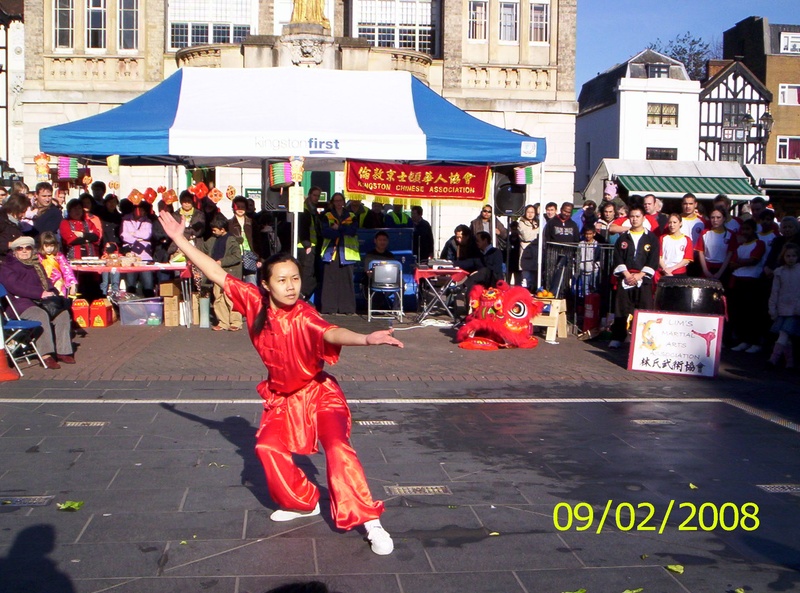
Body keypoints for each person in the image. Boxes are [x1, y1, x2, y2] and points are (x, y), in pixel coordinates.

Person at [158, 208, 402, 555]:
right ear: (266, 284)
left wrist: (366, 338)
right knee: (267, 448)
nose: (291, 287)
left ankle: (369, 520)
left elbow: (331, 332)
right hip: (283, 398)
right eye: (283, 280)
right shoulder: (253, 302)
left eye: (295, 279)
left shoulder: (305, 315)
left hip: (320, 395)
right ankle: (303, 501)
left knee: (337, 448)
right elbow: (214, 271)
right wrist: (180, 240)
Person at [0, 236, 75, 369]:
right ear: (14, 251)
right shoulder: (7, 267)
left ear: (32, 250)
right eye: (20, 248)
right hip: (19, 304)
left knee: (62, 313)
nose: (24, 251)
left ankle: (63, 351)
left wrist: (52, 292)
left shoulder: (36, 264)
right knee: (40, 315)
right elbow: (15, 286)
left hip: (40, 301)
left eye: (28, 248)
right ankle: (46, 355)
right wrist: (40, 293)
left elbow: (47, 281)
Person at [609, 204, 659, 349]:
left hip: (643, 278)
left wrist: (640, 275)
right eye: (632, 216)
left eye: (637, 216)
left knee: (645, 308)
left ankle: (645, 338)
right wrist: (626, 274)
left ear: (643, 218)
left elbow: (653, 259)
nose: (634, 219)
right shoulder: (623, 238)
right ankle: (618, 336)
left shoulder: (651, 238)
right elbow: (618, 257)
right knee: (621, 308)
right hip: (625, 277)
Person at [728, 219, 767, 354]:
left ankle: (755, 341)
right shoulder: (739, 246)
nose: (745, 232)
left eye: (748, 229)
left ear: (754, 230)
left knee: (752, 313)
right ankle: (743, 340)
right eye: (743, 229)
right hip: (738, 281)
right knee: (740, 312)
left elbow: (753, 260)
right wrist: (741, 262)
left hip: (752, 281)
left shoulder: (759, 243)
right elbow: (732, 263)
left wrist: (740, 262)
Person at [320, 193, 359, 315]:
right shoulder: (326, 215)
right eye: (336, 201)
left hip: (347, 253)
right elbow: (325, 232)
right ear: (332, 202)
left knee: (346, 281)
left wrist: (338, 228)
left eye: (340, 200)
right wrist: (342, 231)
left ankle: (347, 309)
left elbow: (353, 231)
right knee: (330, 281)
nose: (338, 203)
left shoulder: (352, 216)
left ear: (343, 201)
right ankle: (329, 308)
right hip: (331, 252)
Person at [202, 214, 243, 332]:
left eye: (215, 230)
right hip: (217, 273)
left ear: (222, 229)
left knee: (231, 298)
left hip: (230, 274)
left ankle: (236, 322)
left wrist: (222, 262)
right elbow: (203, 249)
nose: (213, 232)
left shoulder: (232, 240)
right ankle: (223, 322)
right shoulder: (212, 240)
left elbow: (237, 257)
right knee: (218, 298)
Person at [767, 243, 800, 368]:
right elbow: (774, 292)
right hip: (782, 309)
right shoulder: (779, 272)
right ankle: (789, 362)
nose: (791, 258)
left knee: (783, 334)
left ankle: (773, 360)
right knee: (786, 336)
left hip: (795, 310)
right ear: (783, 257)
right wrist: (772, 309)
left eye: (794, 256)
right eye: (788, 256)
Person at [120, 200, 155, 297]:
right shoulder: (126, 220)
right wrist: (138, 239)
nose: (140, 212)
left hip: (145, 256)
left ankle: (150, 302)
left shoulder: (147, 221)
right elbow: (124, 236)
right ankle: (130, 304)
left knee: (148, 284)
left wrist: (133, 233)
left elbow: (147, 235)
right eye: (138, 209)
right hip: (130, 256)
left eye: (143, 210)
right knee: (130, 285)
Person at [297, 186, 323, 301]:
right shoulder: (305, 209)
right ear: (309, 195)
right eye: (314, 195)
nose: (316, 198)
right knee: (307, 274)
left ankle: (304, 296)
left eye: (318, 196)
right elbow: (302, 228)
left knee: (312, 274)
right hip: (305, 247)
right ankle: (302, 296)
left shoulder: (313, 209)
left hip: (312, 246)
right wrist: (307, 244)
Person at [695, 208, 735, 281]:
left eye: (718, 217)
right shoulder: (704, 233)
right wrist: (705, 271)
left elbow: (729, 254)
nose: (715, 220)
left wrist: (719, 273)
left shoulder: (730, 234)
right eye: (712, 217)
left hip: (723, 269)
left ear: (724, 219)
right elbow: (700, 252)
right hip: (707, 268)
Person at [37, 231, 77, 297]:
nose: (49, 249)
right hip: (43, 284)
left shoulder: (59, 256)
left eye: (52, 246)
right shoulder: (38, 257)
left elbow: (67, 270)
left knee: (59, 299)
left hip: (58, 284)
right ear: (42, 245)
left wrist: (72, 285)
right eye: (46, 246)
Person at [229, 196, 257, 284]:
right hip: (236, 254)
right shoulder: (229, 223)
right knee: (236, 283)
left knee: (251, 282)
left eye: (243, 207)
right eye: (238, 207)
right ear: (233, 208)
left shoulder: (252, 222)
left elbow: (258, 241)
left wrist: (259, 258)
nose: (240, 209)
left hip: (250, 254)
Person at [658, 213, 693, 278]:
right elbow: (659, 257)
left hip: (680, 273)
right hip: (664, 272)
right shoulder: (663, 238)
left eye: (674, 222)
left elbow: (687, 259)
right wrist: (666, 270)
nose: (672, 225)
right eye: (670, 222)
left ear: (680, 223)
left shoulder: (687, 239)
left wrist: (672, 269)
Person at [518, 204, 539, 289]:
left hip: (536, 250)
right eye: (528, 212)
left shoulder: (537, 223)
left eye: (532, 212)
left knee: (534, 274)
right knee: (526, 275)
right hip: (526, 250)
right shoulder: (521, 222)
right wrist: (536, 233)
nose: (530, 214)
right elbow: (526, 236)